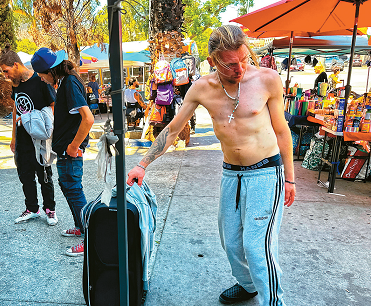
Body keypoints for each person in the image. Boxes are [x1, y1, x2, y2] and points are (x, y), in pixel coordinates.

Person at [127, 25, 293, 305]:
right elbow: (174, 129)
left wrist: (289, 179)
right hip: (232, 174)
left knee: (258, 247)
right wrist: (143, 164)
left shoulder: (267, 79)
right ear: (213, 60)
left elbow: (282, 131)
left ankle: (273, 302)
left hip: (266, 172)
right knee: (230, 241)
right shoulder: (202, 88)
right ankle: (248, 284)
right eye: (230, 64)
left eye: (244, 59)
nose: (240, 68)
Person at [31, 47, 95, 257]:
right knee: (68, 187)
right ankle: (81, 225)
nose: (41, 80)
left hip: (70, 151)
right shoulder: (68, 82)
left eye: (41, 75)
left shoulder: (69, 84)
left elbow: (88, 119)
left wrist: (74, 146)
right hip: (66, 149)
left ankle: (91, 239)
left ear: (51, 71)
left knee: (74, 190)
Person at [0, 47, 58, 226]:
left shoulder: (40, 80)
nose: (5, 75)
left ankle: (50, 210)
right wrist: (13, 138)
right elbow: (17, 109)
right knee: (25, 175)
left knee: (44, 175)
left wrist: (41, 124)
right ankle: (32, 208)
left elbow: (54, 106)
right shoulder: (16, 85)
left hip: (40, 138)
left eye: (6, 71)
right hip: (23, 139)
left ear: (15, 65)